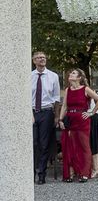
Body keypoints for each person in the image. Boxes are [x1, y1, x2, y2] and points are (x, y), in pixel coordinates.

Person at [58, 69, 98, 183]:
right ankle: (72, 173)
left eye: (73, 73)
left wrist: (91, 112)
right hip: (70, 120)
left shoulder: (85, 89)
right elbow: (64, 106)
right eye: (70, 73)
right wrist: (60, 119)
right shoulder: (68, 90)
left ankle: (84, 173)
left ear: (79, 78)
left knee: (84, 146)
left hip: (82, 120)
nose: (70, 74)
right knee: (71, 146)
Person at [31, 51, 60, 185]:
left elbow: (56, 99)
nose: (42, 59)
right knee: (33, 143)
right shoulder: (29, 76)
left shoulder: (53, 76)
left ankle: (41, 174)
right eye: (38, 58)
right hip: (31, 113)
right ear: (34, 61)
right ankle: (30, 173)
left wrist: (56, 117)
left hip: (46, 113)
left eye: (43, 57)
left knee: (43, 144)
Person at [89, 98, 98, 178]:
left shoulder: (86, 90)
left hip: (92, 117)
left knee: (93, 140)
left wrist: (92, 112)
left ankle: (96, 167)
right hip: (86, 116)